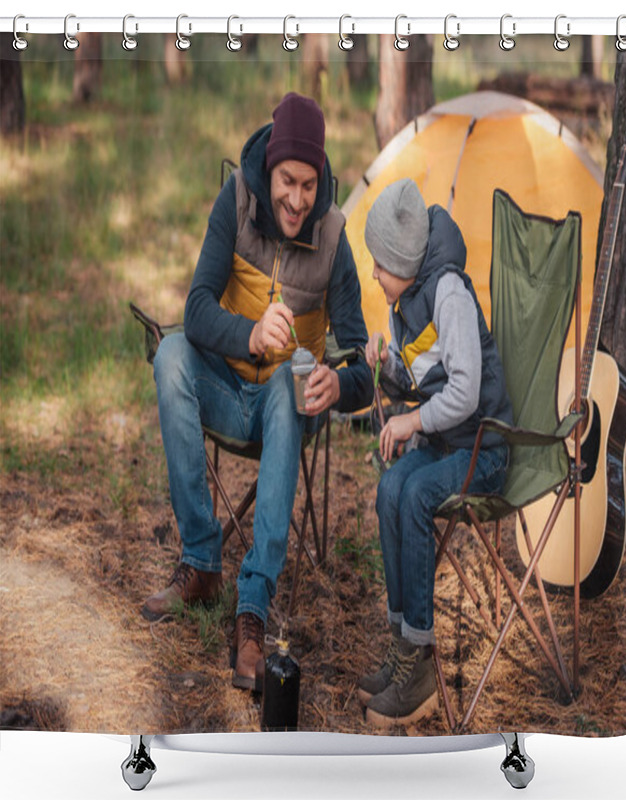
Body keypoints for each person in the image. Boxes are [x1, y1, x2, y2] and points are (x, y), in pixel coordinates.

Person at [141, 92, 372, 691]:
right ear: (268, 166)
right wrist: (248, 332)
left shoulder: (332, 235)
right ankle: (201, 563)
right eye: (287, 181)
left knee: (293, 375)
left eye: (309, 184)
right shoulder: (236, 201)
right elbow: (194, 311)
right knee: (169, 354)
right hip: (225, 388)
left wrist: (336, 382)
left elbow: (361, 365)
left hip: (284, 408)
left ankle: (252, 609)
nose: (297, 199)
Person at [359, 178, 513, 727]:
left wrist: (411, 421)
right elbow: (428, 377)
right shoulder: (406, 298)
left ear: (403, 259)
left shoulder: (447, 292)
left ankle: (422, 662)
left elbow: (466, 389)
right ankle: (405, 644)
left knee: (418, 492)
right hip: (450, 442)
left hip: (486, 450)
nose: (373, 273)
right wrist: (390, 365)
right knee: (391, 488)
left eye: (379, 263)